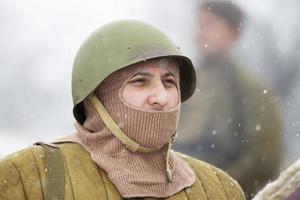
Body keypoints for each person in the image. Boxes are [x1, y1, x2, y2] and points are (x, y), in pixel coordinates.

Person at [0, 20, 245, 199]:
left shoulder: (220, 189)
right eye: (140, 81)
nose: (161, 97)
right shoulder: (25, 178)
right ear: (96, 98)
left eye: (169, 82)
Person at [174, 1, 282, 199]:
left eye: (210, 25)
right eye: (199, 25)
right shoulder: (181, 82)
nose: (200, 33)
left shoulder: (252, 91)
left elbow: (263, 161)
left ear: (233, 33)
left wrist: (211, 189)